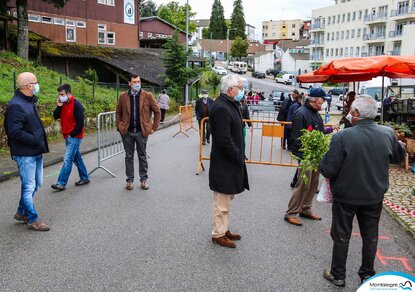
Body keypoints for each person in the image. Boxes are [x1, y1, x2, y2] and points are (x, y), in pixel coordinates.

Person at [319, 96, 405, 287]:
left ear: (356, 113)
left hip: (346, 196)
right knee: (370, 236)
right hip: (374, 195)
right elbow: (398, 157)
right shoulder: (387, 133)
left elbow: (328, 168)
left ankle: (338, 274)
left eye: (351, 110)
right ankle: (367, 274)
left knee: (341, 235)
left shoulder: (342, 136)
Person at [284, 88, 337, 226]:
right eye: (323, 99)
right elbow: (296, 138)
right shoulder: (301, 114)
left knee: (313, 184)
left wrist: (330, 130)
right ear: (315, 99)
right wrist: (303, 157)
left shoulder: (315, 113)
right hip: (306, 156)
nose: (325, 101)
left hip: (315, 155)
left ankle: (306, 208)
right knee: (302, 185)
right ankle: (291, 212)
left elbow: (317, 133)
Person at [4, 72, 50, 231]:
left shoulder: (28, 101)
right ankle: (32, 219)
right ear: (29, 86)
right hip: (25, 154)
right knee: (29, 186)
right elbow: (14, 132)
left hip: (35, 151)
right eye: (35, 82)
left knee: (37, 183)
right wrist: (35, 140)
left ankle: (21, 212)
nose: (38, 85)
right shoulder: (16, 105)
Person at [209, 74, 249, 248]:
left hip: (230, 162)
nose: (242, 90)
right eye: (240, 87)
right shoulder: (221, 107)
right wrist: (236, 155)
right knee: (221, 202)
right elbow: (224, 138)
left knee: (227, 199)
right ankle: (218, 234)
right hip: (224, 163)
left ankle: (224, 229)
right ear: (231, 89)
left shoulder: (230, 104)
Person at [116, 74, 161, 191]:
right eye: (135, 82)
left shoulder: (148, 96)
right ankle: (129, 181)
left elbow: (157, 111)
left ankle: (144, 180)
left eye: (139, 81)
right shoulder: (123, 96)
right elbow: (118, 112)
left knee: (142, 156)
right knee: (129, 157)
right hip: (127, 132)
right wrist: (119, 126)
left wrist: (153, 128)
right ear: (129, 83)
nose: (137, 84)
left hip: (142, 132)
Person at [51, 84, 90, 191]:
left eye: (62, 94)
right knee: (77, 158)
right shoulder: (62, 104)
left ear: (68, 93)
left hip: (74, 136)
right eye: (59, 94)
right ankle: (85, 177)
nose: (60, 96)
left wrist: (72, 134)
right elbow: (56, 116)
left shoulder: (76, 104)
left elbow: (80, 122)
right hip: (67, 135)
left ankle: (61, 183)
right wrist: (58, 106)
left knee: (68, 159)